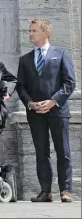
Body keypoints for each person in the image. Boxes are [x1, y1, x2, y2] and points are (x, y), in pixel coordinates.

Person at [16, 19, 75, 202]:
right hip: (35, 112)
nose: (30, 34)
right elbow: (21, 86)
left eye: (34, 30)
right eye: (30, 31)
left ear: (46, 32)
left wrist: (53, 101)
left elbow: (69, 83)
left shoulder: (62, 54)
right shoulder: (25, 59)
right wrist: (30, 103)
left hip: (57, 110)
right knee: (41, 152)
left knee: (62, 150)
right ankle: (45, 191)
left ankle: (65, 191)